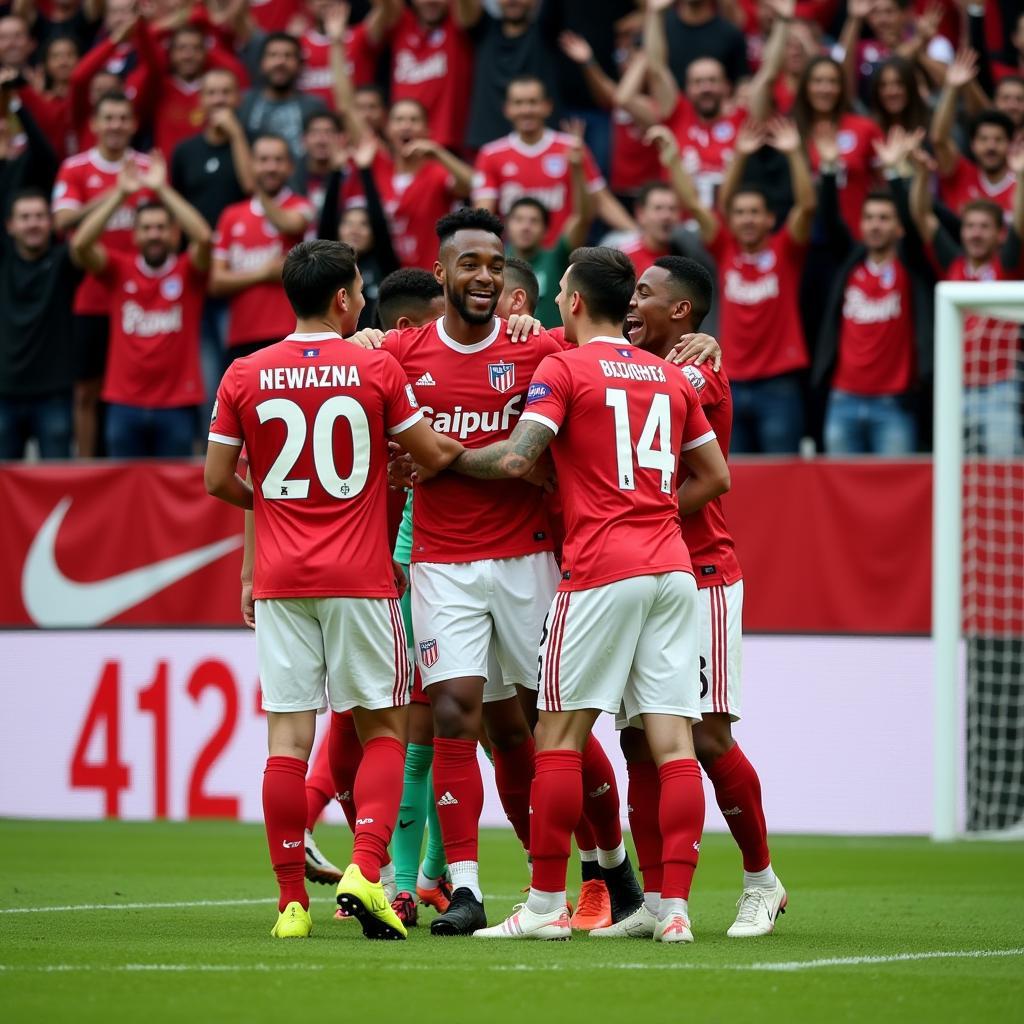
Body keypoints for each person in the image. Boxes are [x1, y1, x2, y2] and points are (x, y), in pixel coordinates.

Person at [443, 245, 730, 941]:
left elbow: (518, 457)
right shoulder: (668, 375)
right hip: (670, 570)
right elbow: (715, 476)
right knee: (673, 743)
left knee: (560, 736)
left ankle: (543, 907)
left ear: (571, 301)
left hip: (601, 568)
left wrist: (441, 454)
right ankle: (673, 909)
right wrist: (654, 512)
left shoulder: (563, 367)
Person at [359, 209, 631, 937]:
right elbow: (345, 361)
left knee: (547, 728)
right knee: (453, 712)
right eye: (468, 264)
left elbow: (626, 351)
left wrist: (698, 342)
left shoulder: (541, 346)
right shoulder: (399, 353)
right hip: (441, 562)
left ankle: (612, 867)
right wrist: (358, 336)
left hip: (529, 559)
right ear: (440, 273)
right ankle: (467, 889)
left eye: (493, 263)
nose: (482, 276)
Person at [204, 238, 466, 940]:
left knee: (287, 741)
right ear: (345, 299)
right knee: (383, 724)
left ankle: (292, 902)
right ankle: (366, 868)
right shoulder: (375, 366)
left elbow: (216, 478)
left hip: (284, 580)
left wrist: (273, 508)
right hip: (361, 577)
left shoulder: (244, 373)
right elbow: (433, 455)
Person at [615, 254, 786, 939]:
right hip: (638, 574)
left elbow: (712, 480)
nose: (630, 304)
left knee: (708, 735)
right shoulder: (630, 368)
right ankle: (655, 900)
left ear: (680, 312)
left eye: (644, 295)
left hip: (701, 571)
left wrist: (647, 521)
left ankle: (761, 882)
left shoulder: (695, 371)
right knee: (636, 739)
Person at [663, 116, 817, 453]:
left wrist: (794, 153)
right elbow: (693, 204)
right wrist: (737, 156)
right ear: (731, 219)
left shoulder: (785, 251)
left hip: (780, 385)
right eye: (741, 213)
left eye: (754, 212)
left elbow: (806, 206)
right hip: (729, 379)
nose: (747, 219)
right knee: (739, 480)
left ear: (769, 219)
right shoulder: (725, 249)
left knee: (780, 482)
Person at [70, 152, 211, 458]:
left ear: (174, 234)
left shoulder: (188, 271)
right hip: (124, 404)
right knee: (124, 496)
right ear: (134, 235)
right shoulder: (119, 270)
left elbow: (203, 236)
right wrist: (120, 194)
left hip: (177, 404)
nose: (154, 235)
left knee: (172, 502)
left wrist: (162, 190)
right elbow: (80, 244)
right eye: (146, 228)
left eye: (161, 227)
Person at [813, 128, 935, 455]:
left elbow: (913, 224)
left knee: (894, 498)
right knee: (840, 497)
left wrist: (896, 174)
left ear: (898, 227)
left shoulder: (911, 267)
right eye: (869, 218)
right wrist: (828, 170)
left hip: (893, 404)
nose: (875, 225)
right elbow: (829, 221)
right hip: (843, 400)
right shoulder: (850, 265)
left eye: (884, 218)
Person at [52, 91, 153, 458]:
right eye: (108, 118)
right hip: (91, 295)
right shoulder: (76, 167)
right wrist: (115, 194)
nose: (115, 125)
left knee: (132, 388)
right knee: (87, 389)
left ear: (134, 124)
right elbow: (62, 221)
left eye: (123, 118)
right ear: (94, 124)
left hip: (142, 299)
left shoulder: (148, 167)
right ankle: (86, 467)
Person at [909, 149, 1024, 457]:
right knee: (952, 471)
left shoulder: (1008, 265)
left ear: (999, 235)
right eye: (970, 226)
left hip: (1000, 387)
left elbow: (1021, 226)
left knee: (1001, 473)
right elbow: (922, 216)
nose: (975, 233)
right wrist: (921, 177)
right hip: (955, 386)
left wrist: (1021, 177)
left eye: (984, 227)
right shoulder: (953, 265)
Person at [472, 76, 632, 246]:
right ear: (507, 109)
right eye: (518, 103)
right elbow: (484, 214)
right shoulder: (491, 154)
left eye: (533, 102)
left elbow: (601, 201)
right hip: (514, 258)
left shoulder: (571, 147)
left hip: (562, 254)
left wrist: (635, 234)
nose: (526, 110)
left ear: (547, 106)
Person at [209, 133, 315, 363]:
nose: (271, 167)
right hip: (241, 337)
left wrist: (258, 191)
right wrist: (263, 274)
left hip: (290, 335)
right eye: (264, 160)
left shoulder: (301, 205)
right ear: (252, 165)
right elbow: (216, 282)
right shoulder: (231, 215)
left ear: (290, 166)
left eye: (278, 160)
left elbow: (288, 224)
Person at [343, 98, 474, 270]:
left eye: (414, 120)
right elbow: (347, 108)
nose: (406, 126)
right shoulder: (378, 165)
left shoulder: (437, 172)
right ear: (388, 129)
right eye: (399, 120)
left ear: (427, 130)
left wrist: (438, 152)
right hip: (386, 280)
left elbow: (475, 184)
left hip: (428, 280)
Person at [0, 187, 79, 459]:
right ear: (10, 225)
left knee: (57, 487)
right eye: (25, 217)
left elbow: (83, 242)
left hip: (54, 394)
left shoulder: (64, 260)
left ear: (51, 223)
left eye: (39, 216)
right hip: (4, 393)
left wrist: (116, 193)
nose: (33, 223)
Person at [502, 123, 593, 328]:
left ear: (546, 230)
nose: (526, 227)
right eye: (519, 220)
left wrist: (577, 168)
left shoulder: (557, 256)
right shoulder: (495, 263)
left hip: (551, 346)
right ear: (507, 225)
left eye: (534, 221)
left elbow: (583, 216)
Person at [931, 50, 1018, 223]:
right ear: (972, 144)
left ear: (1010, 144)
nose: (990, 146)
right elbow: (938, 139)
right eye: (983, 140)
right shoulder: (960, 174)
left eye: (998, 140)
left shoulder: (1020, 184)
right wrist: (952, 88)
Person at [462, 0, 561, 151]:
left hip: (538, 145)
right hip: (486, 142)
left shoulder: (546, 31)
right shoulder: (483, 29)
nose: (513, 1)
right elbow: (466, 10)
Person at [379, 0, 476, 153]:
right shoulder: (402, 22)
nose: (431, 1)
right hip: (401, 146)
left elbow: (470, 13)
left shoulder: (457, 22)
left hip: (449, 147)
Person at [237, 32, 327, 160]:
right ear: (261, 64)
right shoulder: (243, 102)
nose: (280, 62)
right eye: (273, 55)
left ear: (300, 65)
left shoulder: (315, 106)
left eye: (288, 56)